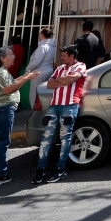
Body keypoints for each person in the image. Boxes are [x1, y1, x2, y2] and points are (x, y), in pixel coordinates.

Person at [0, 47, 38, 186]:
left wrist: (25, 77)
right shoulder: (0, 73)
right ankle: (0, 175)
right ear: (2, 58)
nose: (14, 57)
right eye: (11, 55)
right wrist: (26, 79)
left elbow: (10, 83)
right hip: (2, 111)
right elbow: (9, 89)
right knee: (2, 144)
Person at [32, 46, 86, 185]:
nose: (62, 58)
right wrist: (66, 80)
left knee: (65, 137)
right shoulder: (60, 68)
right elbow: (50, 84)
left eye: (64, 55)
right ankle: (40, 169)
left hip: (70, 104)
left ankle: (60, 169)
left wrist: (61, 80)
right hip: (54, 105)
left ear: (72, 56)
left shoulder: (81, 66)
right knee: (47, 137)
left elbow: (69, 80)